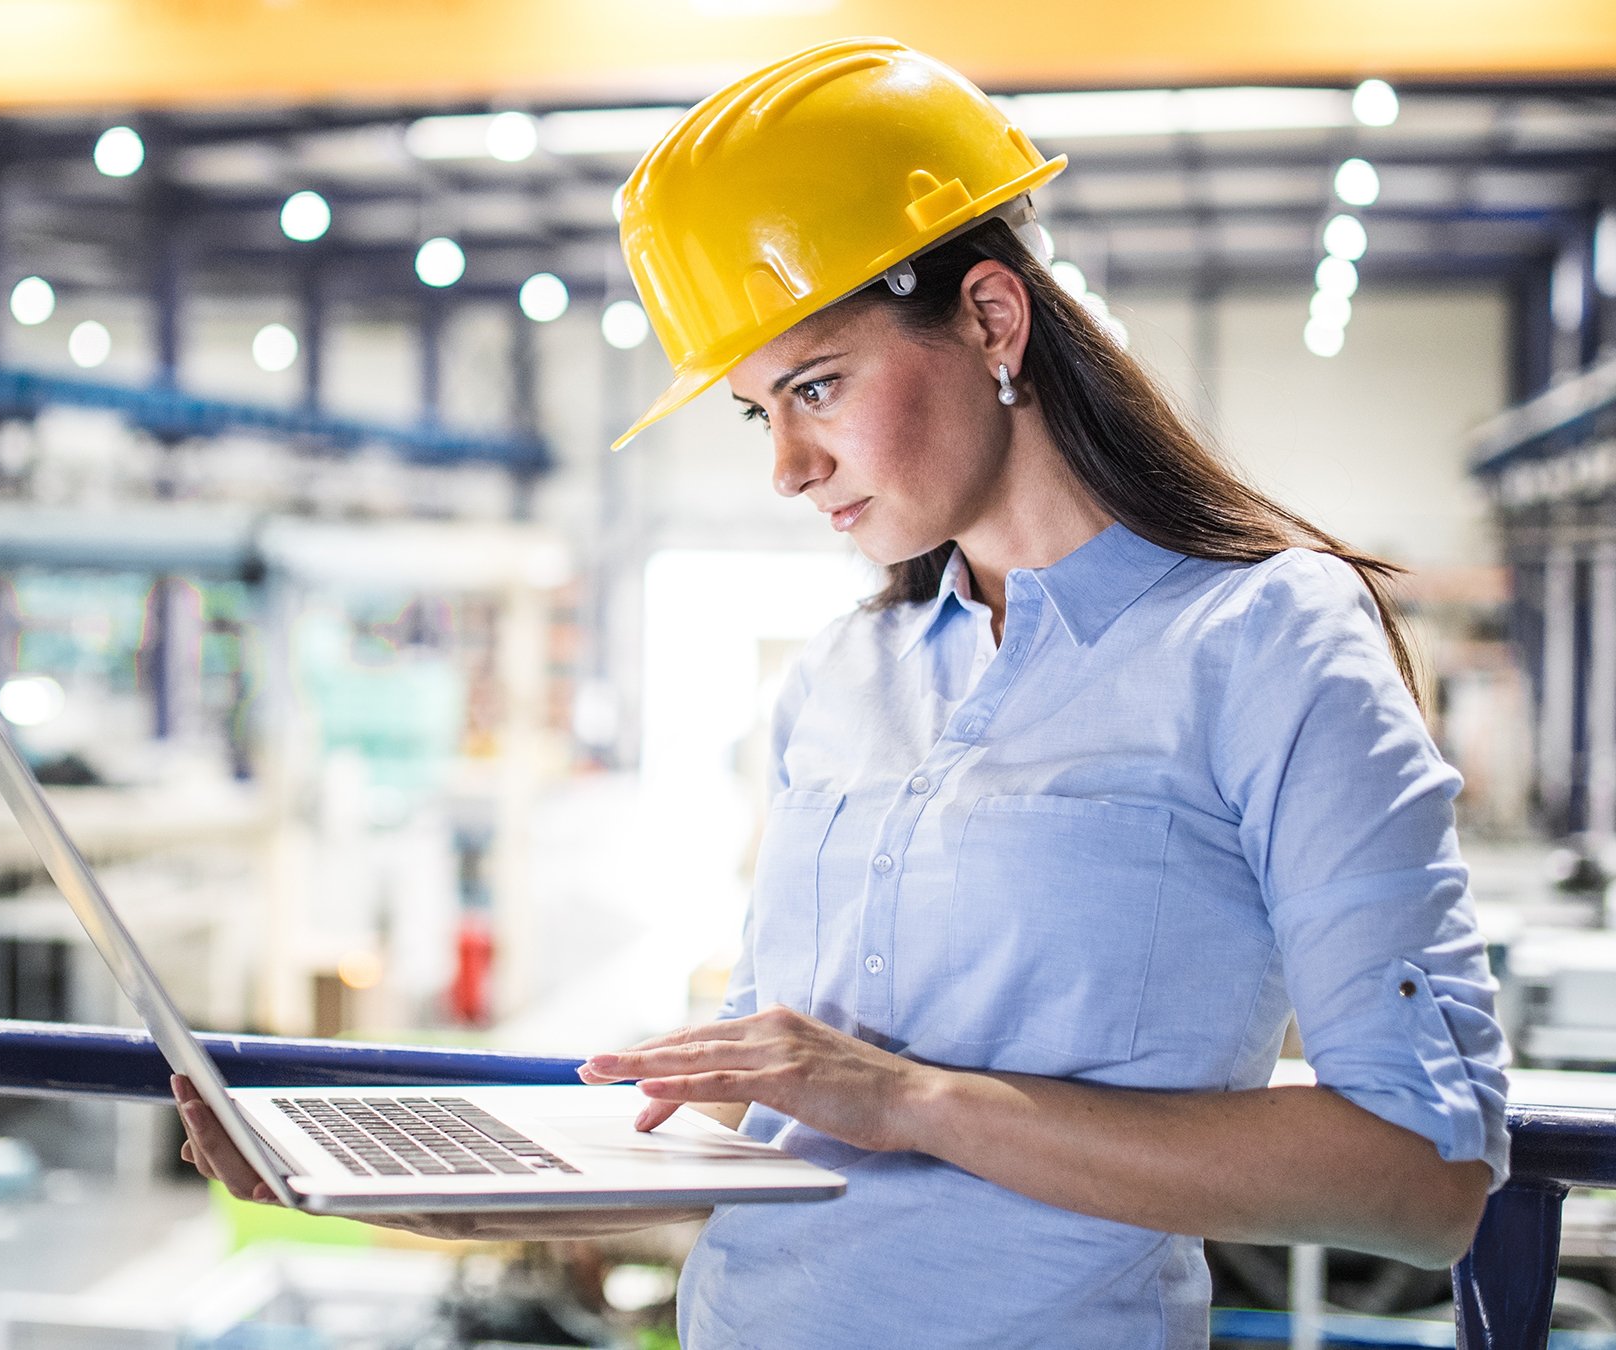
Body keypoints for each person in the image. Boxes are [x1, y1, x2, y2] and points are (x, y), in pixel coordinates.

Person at [175, 36, 1509, 1347]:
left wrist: (919, 1100)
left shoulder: (1267, 638)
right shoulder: (845, 676)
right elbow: (767, 1114)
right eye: (761, 411)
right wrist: (413, 1183)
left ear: (993, 318)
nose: (790, 466)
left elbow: (1420, 1176)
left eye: (816, 384)